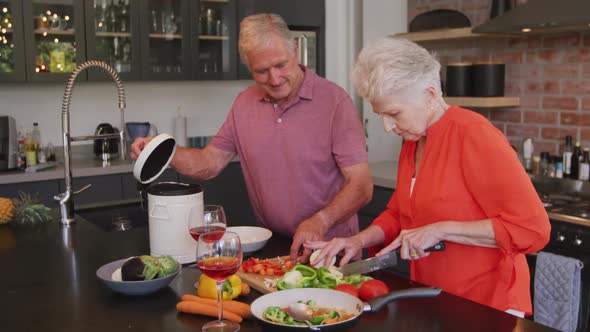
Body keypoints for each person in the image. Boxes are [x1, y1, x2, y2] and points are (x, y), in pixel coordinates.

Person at [306, 37, 550, 317]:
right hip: (437, 296)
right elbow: (400, 213)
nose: (387, 127)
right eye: (381, 115)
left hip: (489, 305)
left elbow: (533, 231)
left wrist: (441, 229)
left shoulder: (474, 135)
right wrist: (358, 241)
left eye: (394, 113)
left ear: (431, 95)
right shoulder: (413, 139)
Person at [130, 13, 372, 263]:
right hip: (275, 249)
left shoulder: (335, 102)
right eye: (262, 71)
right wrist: (160, 150)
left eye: (281, 65)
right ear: (248, 65)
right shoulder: (244, 104)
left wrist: (320, 221)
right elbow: (209, 162)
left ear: (296, 51)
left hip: (331, 249)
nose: (275, 79)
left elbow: (362, 186)